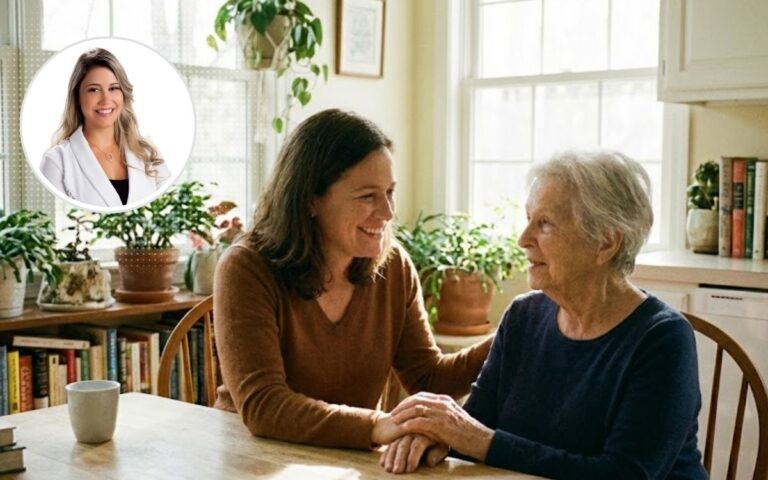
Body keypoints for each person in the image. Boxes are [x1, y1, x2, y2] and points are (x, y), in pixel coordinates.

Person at [381, 150, 708, 479]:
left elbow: (624, 474)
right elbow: (474, 427)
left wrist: (476, 439)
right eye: (528, 220)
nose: (523, 240)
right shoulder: (523, 317)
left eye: (545, 224)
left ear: (606, 242)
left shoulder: (663, 339)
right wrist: (433, 435)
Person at [213, 109, 492, 449]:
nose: (388, 213)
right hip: (252, 457)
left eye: (390, 192)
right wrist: (377, 425)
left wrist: (514, 333)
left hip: (346, 459)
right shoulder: (246, 268)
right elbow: (265, 407)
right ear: (310, 199)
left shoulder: (393, 266)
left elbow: (428, 377)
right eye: (367, 196)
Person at [40, 48, 169, 207]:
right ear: (77, 97)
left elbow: (171, 211)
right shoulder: (56, 161)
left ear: (123, 94)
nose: (105, 100)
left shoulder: (149, 153)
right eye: (93, 90)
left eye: (114, 88)